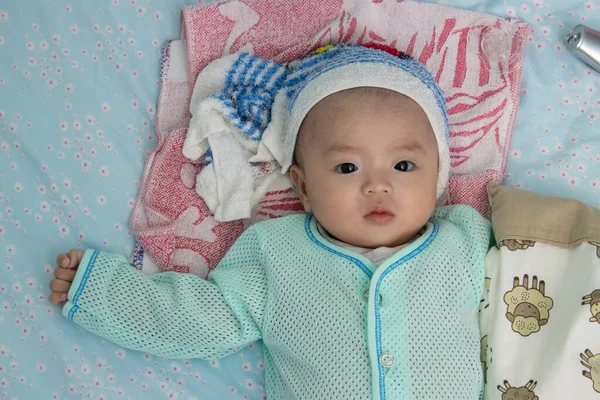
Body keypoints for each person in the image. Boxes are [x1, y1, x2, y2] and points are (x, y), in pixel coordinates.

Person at [49, 44, 491, 399]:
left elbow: (536, 300)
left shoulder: (469, 241)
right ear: (301, 186)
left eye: (404, 166)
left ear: (439, 175)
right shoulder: (277, 254)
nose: (378, 185)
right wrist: (102, 292)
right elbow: (203, 318)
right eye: (346, 168)